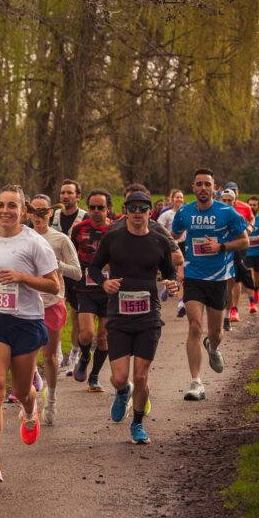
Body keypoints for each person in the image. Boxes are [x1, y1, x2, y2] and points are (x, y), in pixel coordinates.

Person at [0, 185, 61, 483]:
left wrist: (21, 278)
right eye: (0, 204)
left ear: (24, 211)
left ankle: (30, 408)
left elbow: (54, 285)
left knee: (20, 390)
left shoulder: (35, 243)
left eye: (12, 206)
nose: (5, 210)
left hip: (26, 322)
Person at [89, 190, 178, 444]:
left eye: (143, 209)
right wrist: (104, 284)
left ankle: (137, 424)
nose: (137, 213)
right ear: (125, 211)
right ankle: (122, 391)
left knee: (141, 376)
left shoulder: (160, 241)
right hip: (118, 314)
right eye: (133, 208)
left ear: (150, 213)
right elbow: (94, 268)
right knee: (120, 378)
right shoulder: (113, 238)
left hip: (149, 316)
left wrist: (174, 285)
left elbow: (171, 273)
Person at [171, 169, 248, 401]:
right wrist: (174, 260)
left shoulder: (227, 212)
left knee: (215, 332)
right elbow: (173, 237)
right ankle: (196, 382)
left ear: (214, 188)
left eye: (207, 184)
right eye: (199, 184)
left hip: (219, 278)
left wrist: (222, 247)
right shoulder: (184, 212)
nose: (203, 188)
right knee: (194, 326)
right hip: (193, 277)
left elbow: (243, 240)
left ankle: (212, 348)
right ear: (193, 188)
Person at [28, 195, 81, 425]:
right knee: (26, 355)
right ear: (28, 213)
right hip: (27, 304)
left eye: (43, 212)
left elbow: (77, 273)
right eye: (34, 212)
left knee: (49, 356)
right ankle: (28, 402)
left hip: (52, 303)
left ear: (51, 213)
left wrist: (55, 265)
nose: (38, 217)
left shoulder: (60, 240)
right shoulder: (22, 237)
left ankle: (50, 399)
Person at [70, 189, 113, 392]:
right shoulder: (79, 230)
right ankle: (85, 355)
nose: (96, 211)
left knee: (104, 337)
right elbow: (71, 257)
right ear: (88, 208)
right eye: (92, 207)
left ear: (108, 209)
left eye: (101, 208)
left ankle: (94, 377)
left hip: (109, 290)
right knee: (86, 334)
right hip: (85, 288)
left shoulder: (115, 230)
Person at [51, 179, 89, 373]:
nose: (65, 196)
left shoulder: (84, 217)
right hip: (55, 271)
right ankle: (57, 354)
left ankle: (74, 354)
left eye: (69, 193)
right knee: (55, 313)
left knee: (75, 314)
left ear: (78, 196)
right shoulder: (53, 216)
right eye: (63, 193)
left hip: (75, 272)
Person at [220, 183, 254, 329]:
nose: (227, 203)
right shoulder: (215, 215)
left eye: (230, 201)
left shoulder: (239, 216)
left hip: (233, 253)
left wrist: (248, 228)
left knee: (230, 285)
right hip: (217, 253)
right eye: (224, 200)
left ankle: (227, 316)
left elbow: (244, 240)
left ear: (234, 202)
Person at [157, 189, 187, 318]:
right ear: (172, 199)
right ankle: (168, 286)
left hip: (184, 246)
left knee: (181, 276)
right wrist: (169, 238)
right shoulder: (166, 214)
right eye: (177, 197)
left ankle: (180, 304)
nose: (179, 200)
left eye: (181, 197)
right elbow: (157, 229)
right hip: (170, 246)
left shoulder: (187, 213)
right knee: (172, 272)